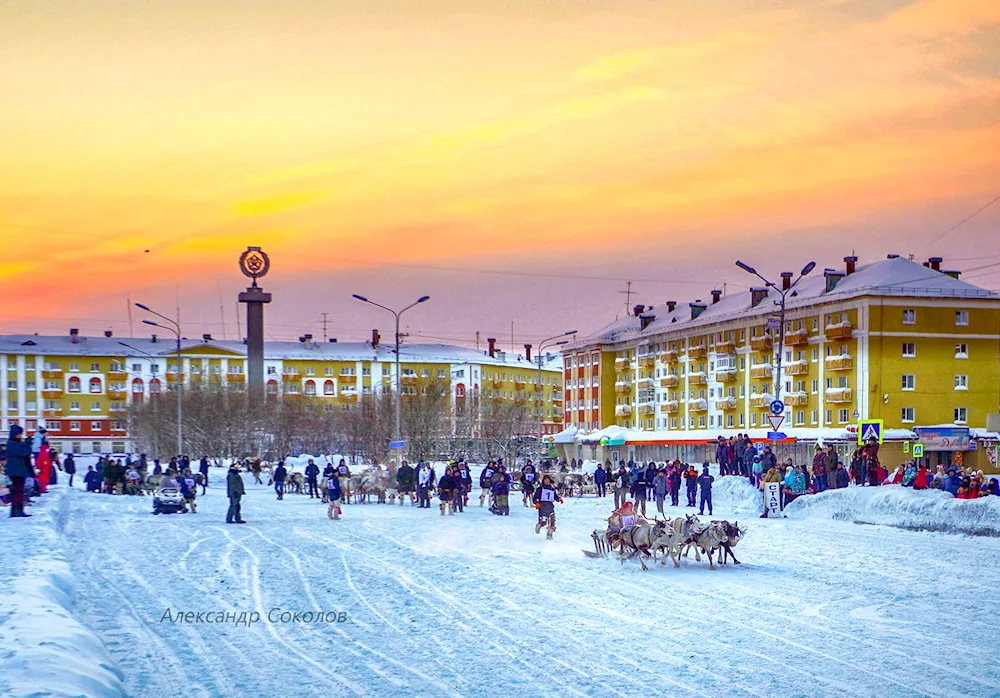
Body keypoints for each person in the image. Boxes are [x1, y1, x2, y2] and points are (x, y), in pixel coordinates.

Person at [6, 425, 34, 518]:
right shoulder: (12, 443)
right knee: (17, 493)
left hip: (19, 471)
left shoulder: (15, 443)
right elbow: (23, 452)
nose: (20, 436)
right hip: (16, 472)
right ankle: (17, 512)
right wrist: (27, 445)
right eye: (19, 434)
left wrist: (26, 443)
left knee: (19, 492)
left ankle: (18, 511)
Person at [533, 475, 563, 539]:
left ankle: (549, 534)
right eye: (546, 481)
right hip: (542, 507)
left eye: (548, 481)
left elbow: (555, 496)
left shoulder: (552, 489)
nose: (547, 482)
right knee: (544, 521)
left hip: (550, 506)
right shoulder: (540, 489)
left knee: (552, 520)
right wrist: (537, 503)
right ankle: (539, 525)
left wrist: (559, 499)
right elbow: (535, 497)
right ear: (543, 481)